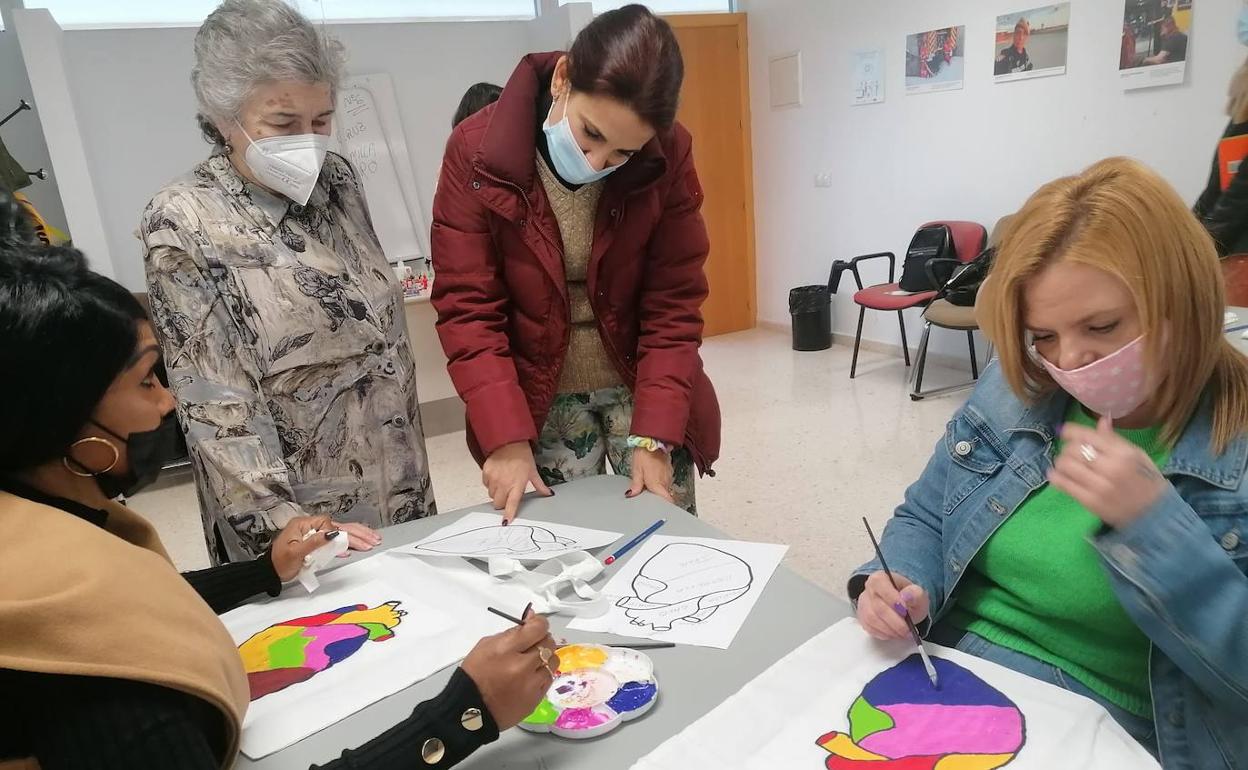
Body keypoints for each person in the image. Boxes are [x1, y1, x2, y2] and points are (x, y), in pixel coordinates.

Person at [0, 197, 559, 769]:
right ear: (62, 415)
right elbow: (115, 629)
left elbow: (140, 600)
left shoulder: (39, 530)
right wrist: (465, 714)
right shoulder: (107, 691)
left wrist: (265, 570)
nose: (168, 401)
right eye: (147, 381)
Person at [851, 158, 1248, 769]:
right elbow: (925, 515)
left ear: (1180, 296)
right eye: (1044, 336)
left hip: (1107, 730)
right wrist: (901, 581)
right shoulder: (1019, 388)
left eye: (1103, 325)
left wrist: (1159, 530)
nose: (1073, 361)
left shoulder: (1235, 442)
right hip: (947, 676)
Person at [140, 0, 437, 564]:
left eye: (321, 120)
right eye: (282, 123)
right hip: (301, 523)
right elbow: (214, 404)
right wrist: (288, 530)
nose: (309, 140)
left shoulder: (339, 183)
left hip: (398, 484)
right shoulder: (183, 220)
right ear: (225, 116)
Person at [431, 4, 720, 521]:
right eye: (590, 133)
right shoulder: (476, 152)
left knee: (666, 539)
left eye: (620, 154)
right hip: (540, 394)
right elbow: (469, 308)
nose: (594, 163)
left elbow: (673, 302)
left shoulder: (669, 153)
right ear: (563, 77)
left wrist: (654, 435)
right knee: (568, 545)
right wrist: (505, 437)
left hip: (643, 382)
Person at [1194, 52, 1248, 258]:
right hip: (1230, 248)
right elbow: (1214, 191)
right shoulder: (1239, 113)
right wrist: (1182, 231)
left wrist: (1195, 250)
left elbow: (1237, 200)